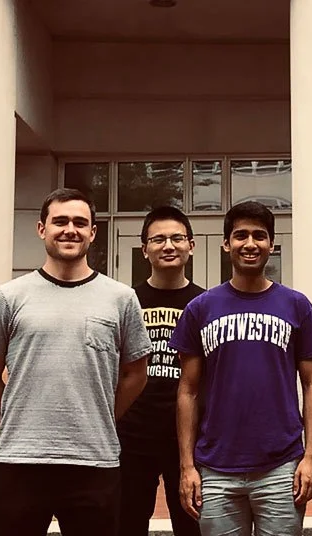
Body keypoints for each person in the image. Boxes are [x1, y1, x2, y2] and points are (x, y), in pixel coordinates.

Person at [0, 188, 153, 536]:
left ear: (93, 232)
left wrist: (98, 414)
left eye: (80, 223)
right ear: (42, 229)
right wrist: (14, 419)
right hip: (20, 460)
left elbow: (135, 374)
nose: (70, 229)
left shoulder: (120, 298)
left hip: (95, 461)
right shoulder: (9, 297)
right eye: (60, 221)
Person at [171, 201, 312, 535]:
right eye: (240, 235)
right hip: (215, 468)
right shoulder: (200, 308)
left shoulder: (296, 305)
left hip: (281, 466)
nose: (250, 243)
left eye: (260, 236)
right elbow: (187, 390)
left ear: (271, 245)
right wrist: (187, 466)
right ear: (226, 243)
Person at [119, 206, 204, 536]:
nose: (168, 246)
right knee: (126, 523)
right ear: (144, 250)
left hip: (189, 437)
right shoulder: (126, 301)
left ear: (191, 245)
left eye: (177, 238)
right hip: (132, 433)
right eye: (158, 239)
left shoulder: (206, 303)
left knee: (191, 524)